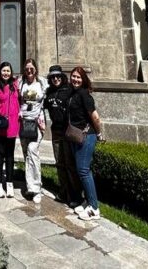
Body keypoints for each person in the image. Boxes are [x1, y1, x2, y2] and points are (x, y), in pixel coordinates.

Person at [67, 66, 105, 220]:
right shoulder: (73, 93)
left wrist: (99, 133)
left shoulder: (84, 94)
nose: (75, 79)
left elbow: (95, 117)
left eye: (78, 77)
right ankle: (87, 201)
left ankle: (94, 208)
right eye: (73, 76)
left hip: (87, 136)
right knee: (80, 170)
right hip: (77, 136)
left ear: (83, 80)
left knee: (84, 170)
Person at [43, 64, 83, 210]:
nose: (55, 79)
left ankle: (75, 195)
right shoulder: (49, 93)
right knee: (59, 162)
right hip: (56, 131)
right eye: (52, 77)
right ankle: (63, 191)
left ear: (62, 77)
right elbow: (40, 106)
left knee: (70, 164)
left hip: (68, 131)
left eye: (58, 76)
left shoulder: (69, 90)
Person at [17, 58, 47, 203]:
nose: (29, 71)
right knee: (26, 154)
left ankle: (36, 188)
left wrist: (43, 120)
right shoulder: (20, 83)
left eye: (31, 68)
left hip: (37, 123)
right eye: (27, 68)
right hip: (23, 124)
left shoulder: (42, 82)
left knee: (32, 150)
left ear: (35, 69)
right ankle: (30, 185)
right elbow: (15, 99)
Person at [0, 61, 20, 198]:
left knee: (10, 154)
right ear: (0, 71)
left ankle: (9, 183)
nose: (6, 73)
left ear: (11, 72)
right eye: (4, 70)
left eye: (8, 71)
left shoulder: (15, 85)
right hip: (0, 124)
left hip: (13, 124)